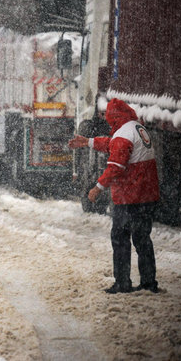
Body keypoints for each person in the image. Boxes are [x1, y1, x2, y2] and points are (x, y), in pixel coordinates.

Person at [69, 98, 160, 294]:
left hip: (130, 196)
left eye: (110, 118)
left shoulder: (123, 134)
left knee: (120, 238)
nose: (108, 122)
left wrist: (97, 188)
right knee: (143, 238)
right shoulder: (136, 128)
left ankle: (122, 283)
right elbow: (114, 144)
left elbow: (115, 167)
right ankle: (148, 282)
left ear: (115, 117)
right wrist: (89, 142)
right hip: (146, 195)